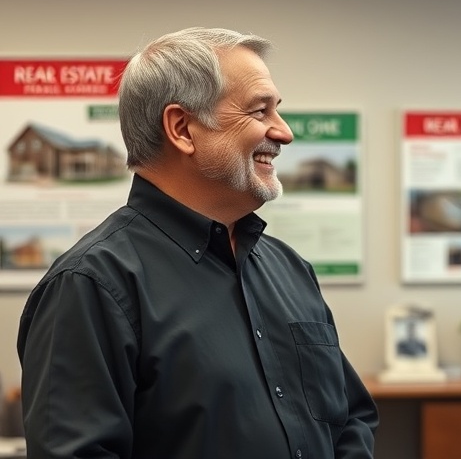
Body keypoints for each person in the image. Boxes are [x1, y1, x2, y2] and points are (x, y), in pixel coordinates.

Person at [17, 27, 378, 459]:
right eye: (260, 112)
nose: (284, 133)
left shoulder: (289, 268)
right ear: (182, 128)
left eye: (276, 111)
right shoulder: (91, 284)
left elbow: (351, 419)